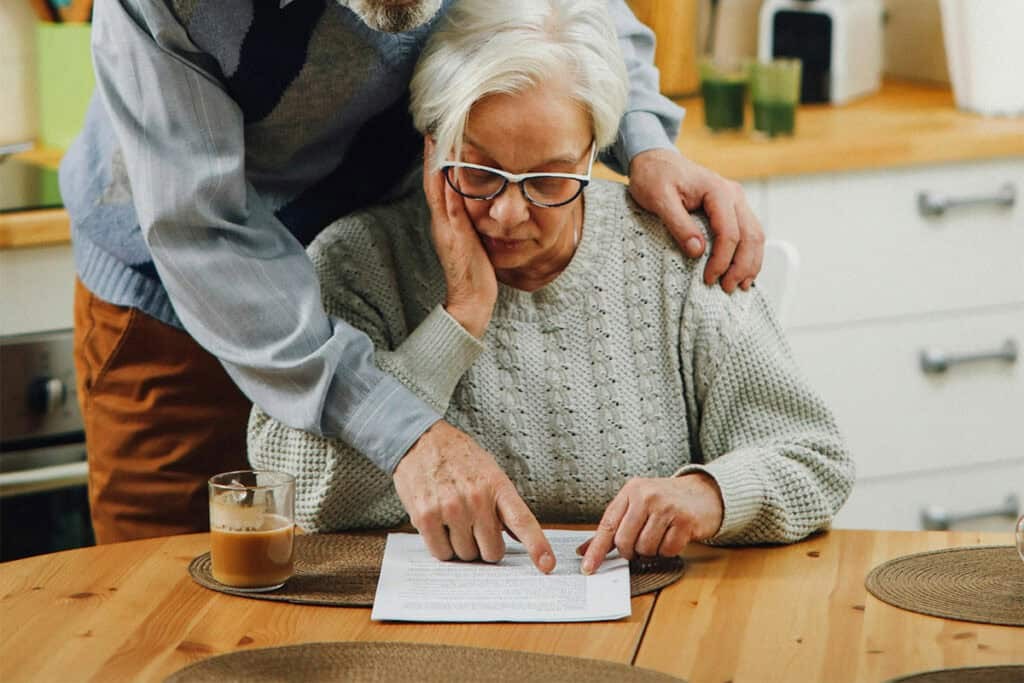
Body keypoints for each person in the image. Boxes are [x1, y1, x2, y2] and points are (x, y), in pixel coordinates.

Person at [61, 0, 766, 545]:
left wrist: (642, 141)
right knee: (168, 607)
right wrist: (401, 427)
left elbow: (579, 16)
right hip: (172, 300)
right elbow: (202, 231)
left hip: (384, 257)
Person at [247, 0, 855, 574]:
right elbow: (297, 490)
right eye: (479, 171)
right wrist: (458, 320)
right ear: (432, 146)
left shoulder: (674, 257)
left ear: (594, 152)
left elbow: (813, 457)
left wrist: (708, 495)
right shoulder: (359, 261)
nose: (509, 213)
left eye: (548, 178)